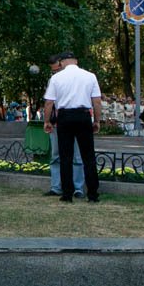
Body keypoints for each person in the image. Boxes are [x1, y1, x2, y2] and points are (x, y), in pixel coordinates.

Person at [42, 52, 102, 203]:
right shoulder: (90, 76)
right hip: (83, 116)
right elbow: (97, 101)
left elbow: (49, 102)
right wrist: (97, 121)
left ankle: (67, 194)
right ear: (76, 61)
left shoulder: (56, 78)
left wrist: (47, 121)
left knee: (65, 157)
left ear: (61, 63)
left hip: (65, 117)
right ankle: (93, 194)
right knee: (88, 157)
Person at [42, 54, 85, 198]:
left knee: (76, 156)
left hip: (69, 118)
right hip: (58, 121)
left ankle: (77, 187)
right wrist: (48, 120)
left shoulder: (77, 78)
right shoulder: (54, 80)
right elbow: (49, 101)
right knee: (56, 155)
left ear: (63, 64)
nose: (55, 73)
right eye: (53, 71)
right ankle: (57, 186)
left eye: (56, 69)